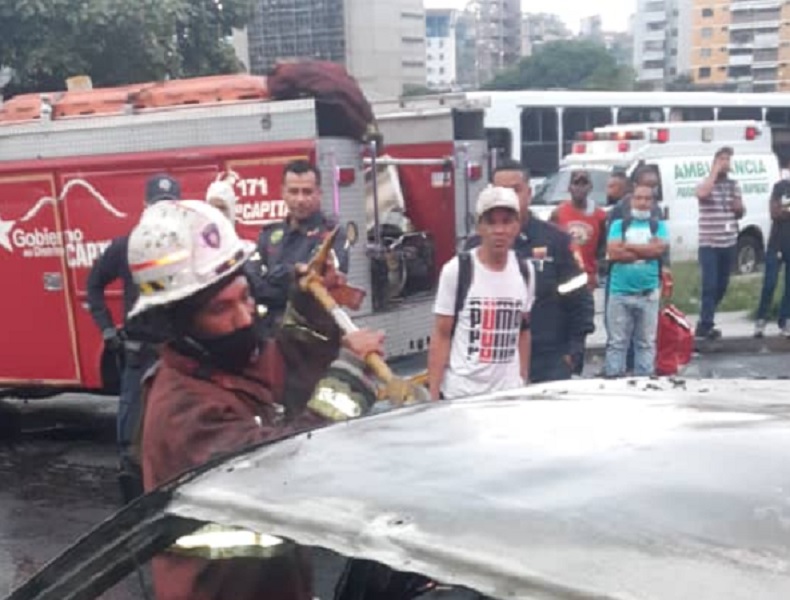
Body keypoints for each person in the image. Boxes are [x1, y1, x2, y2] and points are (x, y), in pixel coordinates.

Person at [126, 199, 385, 600]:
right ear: (177, 324)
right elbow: (285, 467)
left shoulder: (222, 364)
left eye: (244, 296)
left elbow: (285, 371)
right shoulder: (183, 409)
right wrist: (350, 379)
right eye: (221, 309)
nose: (245, 318)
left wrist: (309, 306)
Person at [86, 172, 181, 504]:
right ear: (145, 206)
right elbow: (93, 286)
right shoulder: (125, 246)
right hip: (140, 354)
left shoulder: (188, 247)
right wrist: (108, 330)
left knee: (180, 427)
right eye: (158, 203)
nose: (163, 210)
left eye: (169, 204)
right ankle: (133, 504)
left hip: (177, 354)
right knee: (131, 435)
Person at [464, 160, 594, 383]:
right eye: (500, 191)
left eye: (515, 190)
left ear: (529, 193)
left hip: (547, 361)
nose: (508, 197)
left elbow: (579, 299)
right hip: (491, 364)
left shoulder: (556, 241)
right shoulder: (474, 248)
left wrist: (573, 353)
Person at [428, 186, 535, 400]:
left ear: (517, 226)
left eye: (506, 221)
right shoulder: (457, 270)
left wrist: (522, 379)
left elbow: (523, 330)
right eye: (491, 222)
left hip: (508, 395)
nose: (499, 230)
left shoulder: (525, 270)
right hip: (463, 395)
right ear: (479, 227)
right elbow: (441, 335)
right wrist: (433, 397)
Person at [255, 160, 349, 329]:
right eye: (293, 191)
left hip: (313, 334)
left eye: (307, 192)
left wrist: (275, 277)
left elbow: (317, 288)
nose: (300, 199)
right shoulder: (268, 235)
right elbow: (255, 287)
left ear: (319, 193)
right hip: (271, 334)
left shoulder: (333, 235)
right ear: (283, 193)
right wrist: (296, 272)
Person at [604, 184, 669, 377]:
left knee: (646, 343)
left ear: (652, 202)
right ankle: (614, 379)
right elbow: (614, 251)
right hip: (620, 293)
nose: (642, 203)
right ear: (632, 200)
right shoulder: (618, 225)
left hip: (648, 294)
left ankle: (644, 383)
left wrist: (629, 247)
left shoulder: (659, 226)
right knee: (617, 343)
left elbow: (658, 251)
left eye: (647, 199)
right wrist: (644, 250)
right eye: (639, 198)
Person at [694, 146, 745, 340]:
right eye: (722, 159)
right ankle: (706, 324)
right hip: (709, 243)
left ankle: (705, 318)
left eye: (728, 159)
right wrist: (715, 172)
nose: (726, 163)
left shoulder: (733, 185)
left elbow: (739, 212)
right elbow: (702, 194)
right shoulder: (705, 183)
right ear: (714, 162)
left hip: (728, 241)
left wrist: (739, 208)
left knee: (722, 285)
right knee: (710, 284)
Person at [550, 169, 608, 291]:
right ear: (569, 187)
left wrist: (599, 268)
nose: (580, 188)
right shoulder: (558, 213)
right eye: (576, 183)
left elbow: (603, 247)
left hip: (588, 280)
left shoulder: (600, 215)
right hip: (565, 277)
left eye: (584, 183)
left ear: (590, 187)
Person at [754, 173, 790, 338]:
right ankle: (761, 319)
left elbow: (781, 210)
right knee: (770, 283)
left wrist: (785, 209)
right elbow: (774, 212)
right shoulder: (780, 186)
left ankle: (785, 320)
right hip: (776, 243)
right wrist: (783, 211)